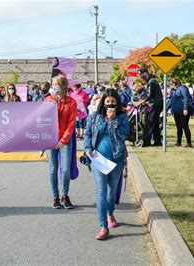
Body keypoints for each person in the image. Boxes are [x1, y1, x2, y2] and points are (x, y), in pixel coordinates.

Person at [84, 88, 130, 240]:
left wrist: (113, 121)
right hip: (98, 159)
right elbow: (88, 133)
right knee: (101, 192)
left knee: (111, 193)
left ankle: (110, 213)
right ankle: (103, 226)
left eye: (113, 102)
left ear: (117, 102)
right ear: (103, 102)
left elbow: (124, 135)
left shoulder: (122, 117)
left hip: (116, 159)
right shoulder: (95, 116)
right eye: (107, 102)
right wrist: (88, 148)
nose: (110, 105)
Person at [44, 75, 77, 209]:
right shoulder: (48, 100)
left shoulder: (71, 102)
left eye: (56, 84)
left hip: (65, 140)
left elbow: (71, 123)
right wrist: (53, 105)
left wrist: (64, 140)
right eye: (52, 84)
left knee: (66, 170)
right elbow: (43, 119)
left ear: (63, 86)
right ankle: (55, 197)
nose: (54, 87)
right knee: (53, 169)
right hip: (50, 139)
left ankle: (65, 195)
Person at [134, 68, 163, 147]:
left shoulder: (152, 81)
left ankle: (146, 142)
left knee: (149, 123)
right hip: (156, 104)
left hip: (155, 104)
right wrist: (140, 101)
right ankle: (157, 141)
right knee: (155, 124)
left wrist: (141, 102)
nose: (140, 76)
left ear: (146, 73)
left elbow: (150, 95)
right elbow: (148, 95)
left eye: (141, 74)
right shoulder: (150, 81)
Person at [169, 77, 192, 147]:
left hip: (183, 110)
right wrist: (166, 109)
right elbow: (171, 100)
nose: (171, 85)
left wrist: (185, 108)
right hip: (176, 111)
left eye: (172, 84)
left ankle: (189, 143)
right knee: (178, 127)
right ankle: (178, 142)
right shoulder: (173, 90)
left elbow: (186, 98)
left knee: (185, 126)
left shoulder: (183, 88)